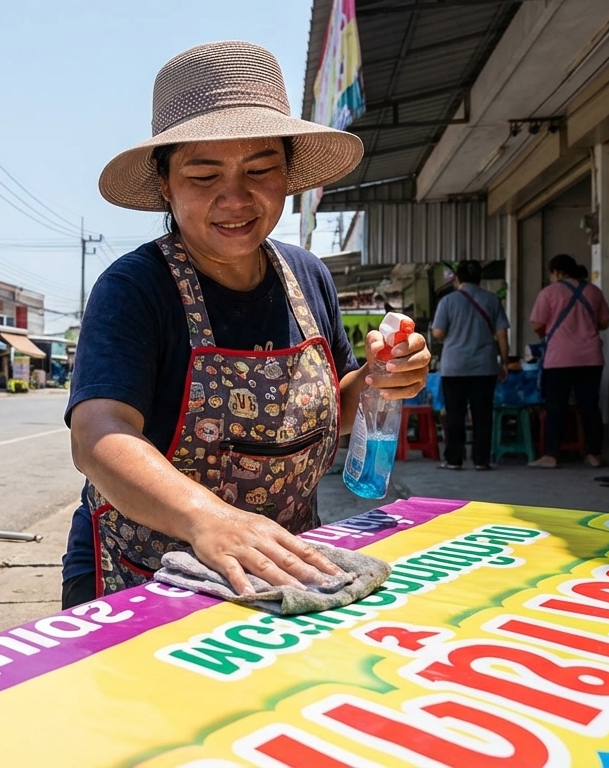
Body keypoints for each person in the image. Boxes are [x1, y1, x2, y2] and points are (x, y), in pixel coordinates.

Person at [61, 41, 430, 609]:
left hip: (287, 569)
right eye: (204, 175)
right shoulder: (134, 288)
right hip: (146, 576)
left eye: (260, 169)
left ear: (288, 174)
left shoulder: (308, 276)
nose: (234, 198)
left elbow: (336, 401)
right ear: (164, 183)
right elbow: (98, 435)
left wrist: (382, 375)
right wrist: (208, 519)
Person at [528, 253, 609, 468]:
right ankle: (594, 454)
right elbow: (605, 322)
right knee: (590, 406)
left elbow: (537, 324)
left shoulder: (549, 293)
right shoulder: (593, 291)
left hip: (559, 358)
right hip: (591, 357)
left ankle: (551, 455)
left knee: (555, 407)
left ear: (556, 272)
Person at [430, 260, 510, 471]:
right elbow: (502, 334)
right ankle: (481, 460)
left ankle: (454, 459)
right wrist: (505, 361)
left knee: (455, 414)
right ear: (479, 279)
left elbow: (438, 332)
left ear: (457, 279)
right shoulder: (492, 300)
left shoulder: (448, 301)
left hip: (455, 366)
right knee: (482, 414)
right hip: (485, 366)